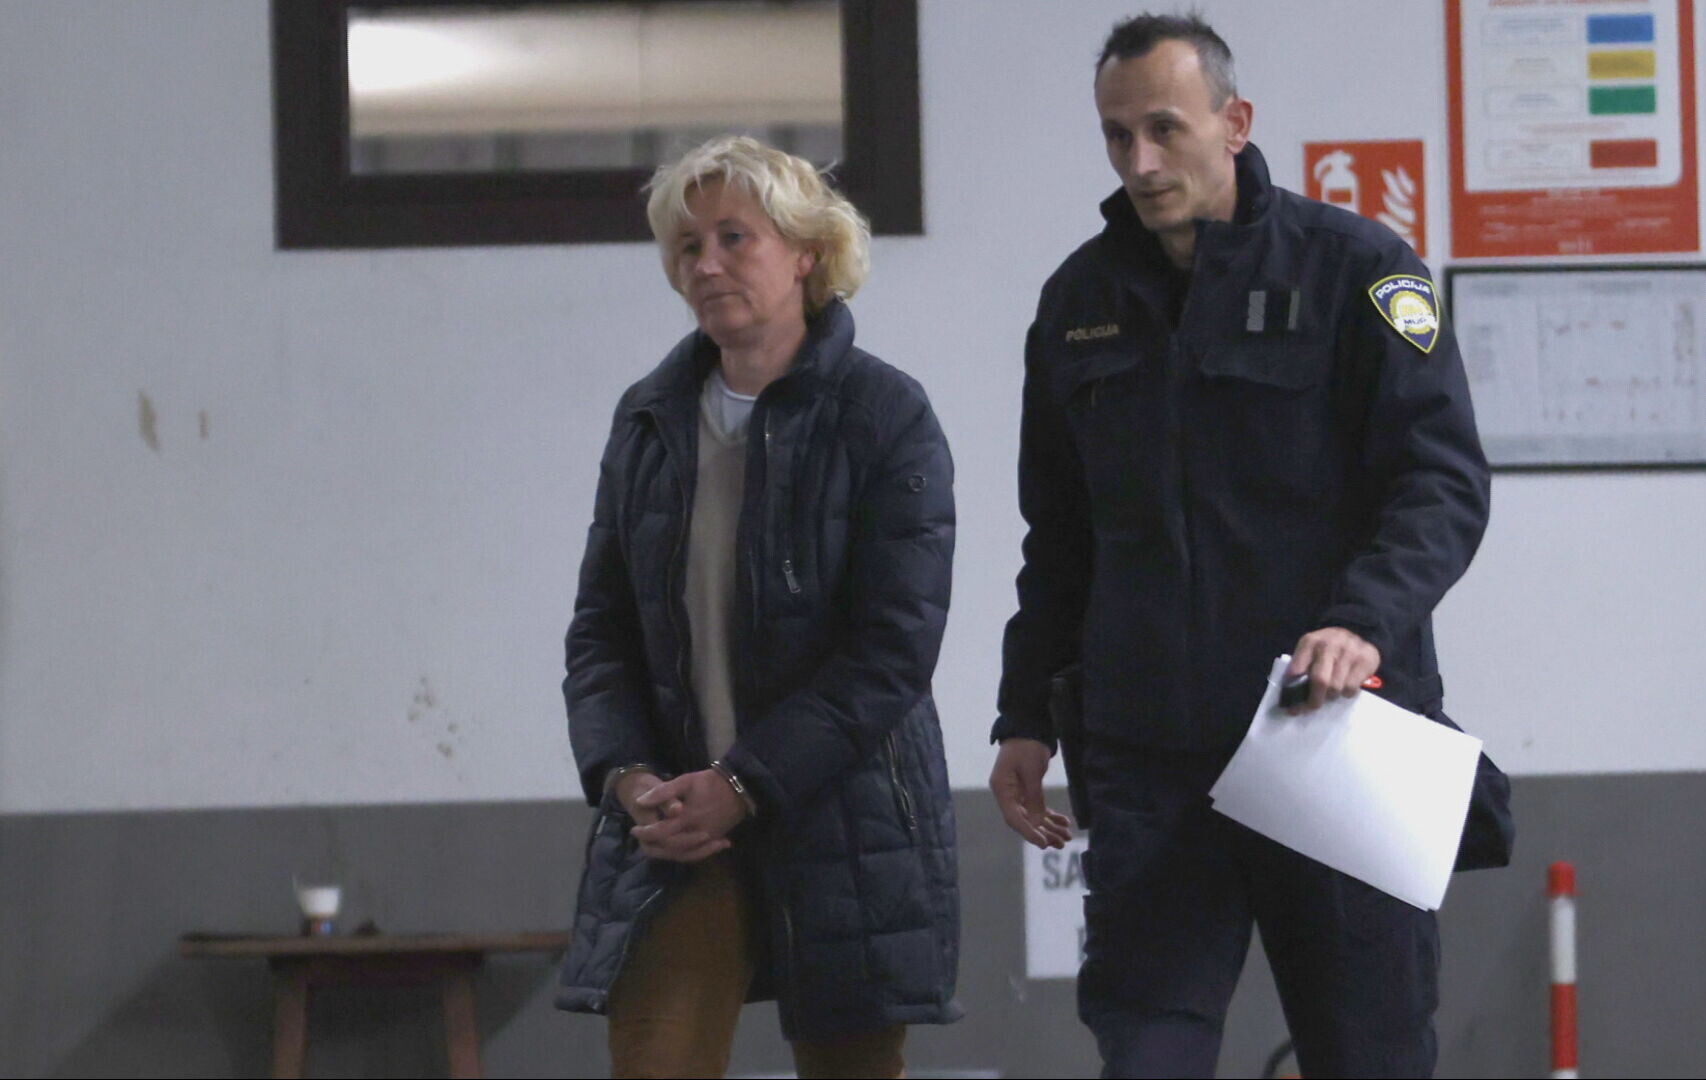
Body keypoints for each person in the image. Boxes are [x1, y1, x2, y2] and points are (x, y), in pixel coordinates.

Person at [988, 15, 1506, 1079]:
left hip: (1333, 736)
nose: (1140, 161)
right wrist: (1024, 714)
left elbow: (1441, 482)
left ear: (1235, 123)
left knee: (1369, 1053)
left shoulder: (1357, 271)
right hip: (1151, 760)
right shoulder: (1079, 304)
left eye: (1164, 129)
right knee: (1148, 1053)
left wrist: (1362, 622)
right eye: (1117, 135)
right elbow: (1062, 539)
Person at [555, 134, 961, 1079]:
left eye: (734, 238)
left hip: (844, 815)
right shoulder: (649, 419)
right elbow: (601, 631)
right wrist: (625, 774)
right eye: (687, 247)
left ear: (807, 251)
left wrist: (745, 785)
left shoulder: (885, 414)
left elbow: (894, 650)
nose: (705, 265)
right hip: (679, 820)